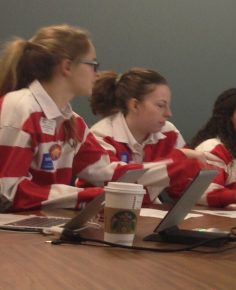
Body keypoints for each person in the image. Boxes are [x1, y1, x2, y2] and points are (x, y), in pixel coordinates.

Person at [0, 24, 139, 211]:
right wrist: (86, 196)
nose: (97, 73)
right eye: (93, 64)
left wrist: (172, 166)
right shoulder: (20, 107)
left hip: (34, 224)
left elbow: (105, 170)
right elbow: (8, 193)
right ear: (67, 66)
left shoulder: (72, 121)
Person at [89, 68, 204, 201]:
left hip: (148, 214)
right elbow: (117, 187)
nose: (168, 113)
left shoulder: (168, 132)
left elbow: (183, 187)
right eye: (161, 105)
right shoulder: (101, 135)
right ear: (135, 105)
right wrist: (177, 160)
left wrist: (226, 194)